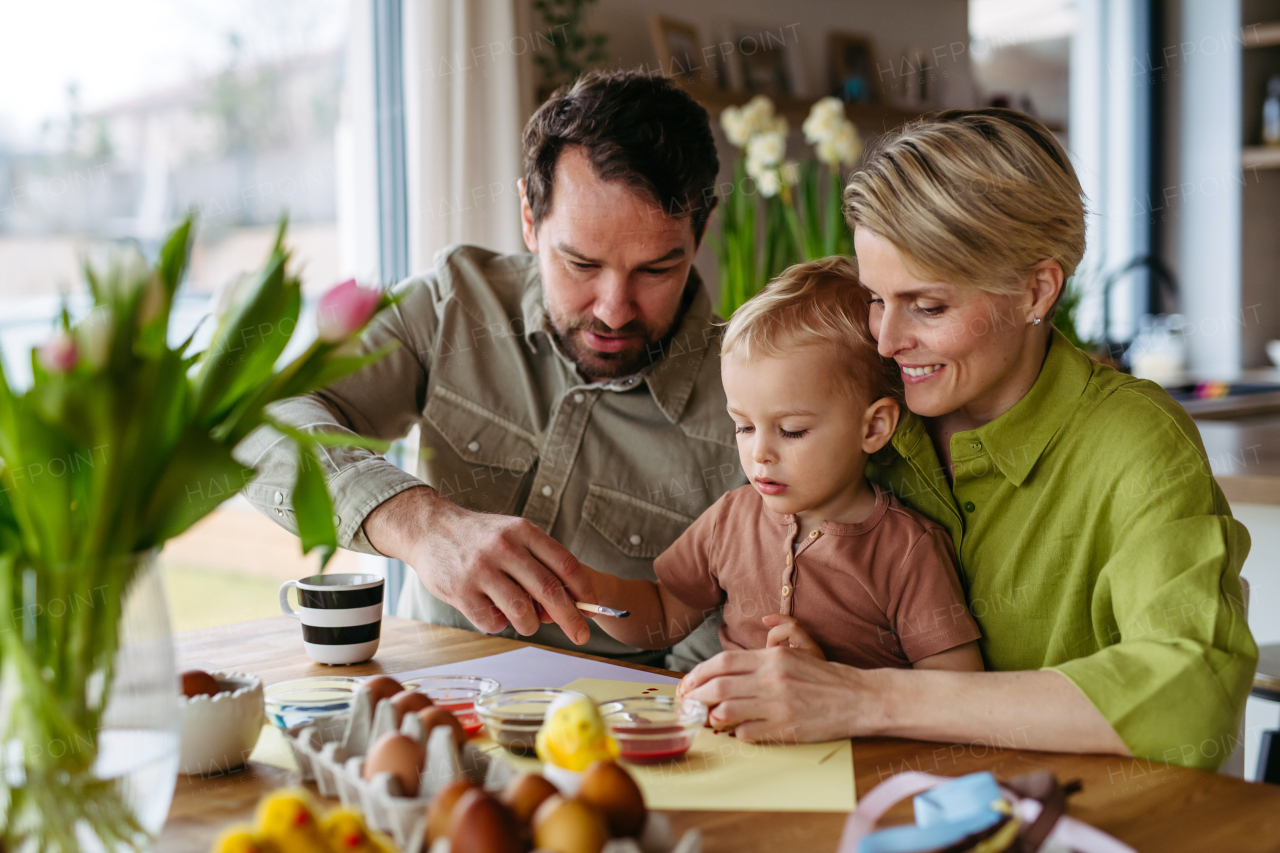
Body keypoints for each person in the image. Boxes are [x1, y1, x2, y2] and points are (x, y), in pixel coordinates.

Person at [676, 108, 1258, 771]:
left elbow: (1192, 687)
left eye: (928, 306)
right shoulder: (868, 417)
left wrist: (869, 696)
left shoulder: (1135, 442)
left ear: (1036, 290)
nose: (888, 340)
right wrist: (828, 666)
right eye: (875, 298)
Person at [237, 70, 745, 669]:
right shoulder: (454, 306)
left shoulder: (755, 398)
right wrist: (421, 524)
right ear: (529, 218)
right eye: (580, 263)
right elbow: (256, 424)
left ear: (702, 230)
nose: (613, 310)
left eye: (656, 270)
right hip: (425, 719)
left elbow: (723, 662)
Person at [584, 258, 983, 674]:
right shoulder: (730, 519)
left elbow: (955, 686)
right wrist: (592, 590)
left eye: (791, 431)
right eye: (743, 426)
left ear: (874, 427)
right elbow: (662, 615)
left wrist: (830, 684)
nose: (759, 453)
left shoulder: (906, 551)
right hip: (731, 733)